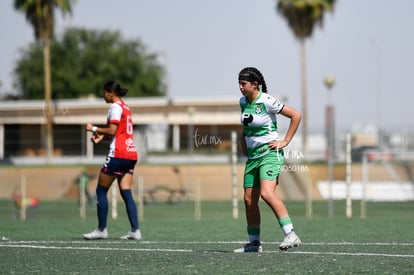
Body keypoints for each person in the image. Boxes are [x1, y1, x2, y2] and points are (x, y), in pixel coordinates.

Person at [233, 67, 302, 252]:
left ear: (255, 84)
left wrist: (285, 141)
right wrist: (243, 143)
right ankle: (254, 244)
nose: (240, 87)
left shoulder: (266, 100)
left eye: (243, 84)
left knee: (267, 194)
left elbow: (296, 115)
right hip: (253, 158)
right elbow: (246, 126)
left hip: (269, 154)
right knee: (249, 200)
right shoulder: (242, 101)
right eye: (239, 83)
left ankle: (291, 234)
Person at [83, 80, 141, 240]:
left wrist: (93, 128)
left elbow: (113, 129)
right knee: (126, 191)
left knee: (101, 191)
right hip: (131, 153)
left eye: (104, 92)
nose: (103, 95)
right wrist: (102, 136)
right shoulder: (125, 107)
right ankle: (135, 230)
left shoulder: (114, 107)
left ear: (110, 93)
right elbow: (119, 131)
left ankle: (102, 230)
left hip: (119, 154)